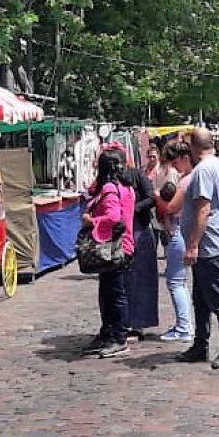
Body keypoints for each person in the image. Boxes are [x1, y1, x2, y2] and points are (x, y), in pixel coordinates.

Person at [178, 128, 219, 369]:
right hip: (214, 243)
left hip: (210, 247)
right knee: (200, 298)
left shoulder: (204, 170)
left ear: (193, 146)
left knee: (217, 298)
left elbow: (203, 208)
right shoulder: (217, 165)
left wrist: (193, 244)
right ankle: (200, 344)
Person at [81, 149, 136, 358]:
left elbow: (113, 217)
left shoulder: (111, 189)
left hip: (116, 248)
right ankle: (109, 332)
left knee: (114, 294)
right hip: (122, 246)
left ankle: (118, 337)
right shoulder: (125, 187)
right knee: (109, 292)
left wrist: (91, 221)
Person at [118, 142, 159, 337]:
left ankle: (139, 323)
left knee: (140, 278)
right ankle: (122, 321)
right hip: (120, 232)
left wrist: (133, 208)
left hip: (139, 229)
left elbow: (151, 198)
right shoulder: (111, 180)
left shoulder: (137, 175)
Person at [156, 140, 194, 342]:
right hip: (183, 228)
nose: (173, 166)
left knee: (176, 282)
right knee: (181, 282)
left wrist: (159, 199)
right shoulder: (190, 177)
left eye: (174, 161)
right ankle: (184, 324)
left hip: (180, 228)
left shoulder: (186, 180)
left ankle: (183, 326)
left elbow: (171, 207)